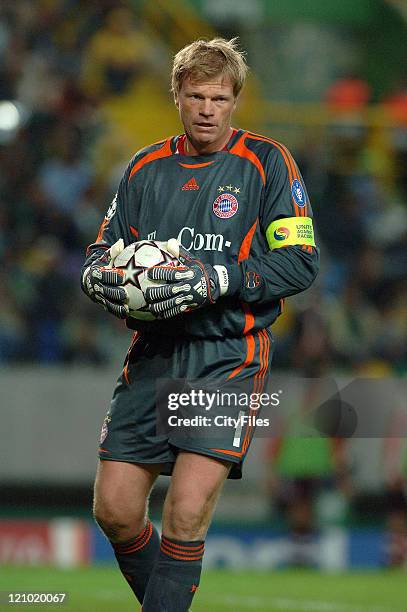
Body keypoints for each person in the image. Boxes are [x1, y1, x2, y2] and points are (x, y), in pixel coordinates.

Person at [81, 37, 319, 611]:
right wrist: (100, 278)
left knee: (186, 511)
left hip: (226, 357)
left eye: (219, 97)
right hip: (154, 353)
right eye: (196, 96)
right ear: (178, 97)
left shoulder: (267, 162)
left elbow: (299, 261)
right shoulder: (144, 168)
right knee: (114, 508)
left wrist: (217, 279)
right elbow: (102, 252)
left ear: (235, 101)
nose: (208, 108)